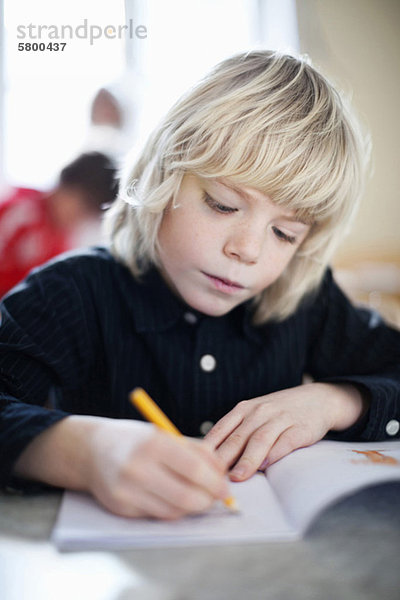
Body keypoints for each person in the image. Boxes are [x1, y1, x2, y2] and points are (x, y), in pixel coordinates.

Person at [0, 51, 399, 521]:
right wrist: (81, 450)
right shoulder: (71, 292)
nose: (248, 250)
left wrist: (335, 401)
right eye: (223, 204)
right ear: (164, 178)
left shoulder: (305, 301)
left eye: (284, 233)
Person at [0, 152, 118, 297]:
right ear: (66, 186)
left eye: (88, 217)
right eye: (82, 208)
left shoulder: (61, 241)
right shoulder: (21, 211)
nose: (79, 220)